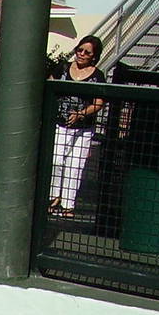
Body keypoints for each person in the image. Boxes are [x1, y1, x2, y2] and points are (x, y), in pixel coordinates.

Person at [49, 35, 106, 218]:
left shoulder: (98, 76)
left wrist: (81, 114)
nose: (81, 54)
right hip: (60, 123)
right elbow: (50, 86)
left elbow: (98, 103)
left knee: (75, 165)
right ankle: (53, 197)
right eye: (79, 50)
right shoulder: (63, 68)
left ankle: (68, 204)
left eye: (86, 52)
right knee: (57, 159)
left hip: (83, 128)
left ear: (94, 56)